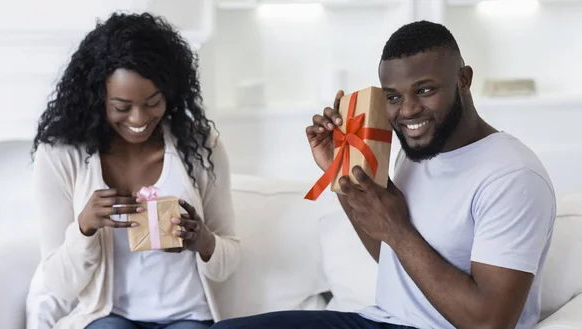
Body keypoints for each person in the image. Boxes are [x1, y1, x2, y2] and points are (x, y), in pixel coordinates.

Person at [211, 20, 555, 329]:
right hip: (383, 319)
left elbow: (489, 323)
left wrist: (398, 229)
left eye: (424, 90)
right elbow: (393, 256)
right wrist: (339, 167)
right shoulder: (419, 150)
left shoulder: (512, 177)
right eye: (393, 96)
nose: (407, 111)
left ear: (463, 80)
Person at [25, 12, 240, 329]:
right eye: (122, 107)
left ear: (169, 91)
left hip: (188, 316)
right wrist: (84, 227)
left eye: (153, 102)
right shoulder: (60, 155)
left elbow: (229, 257)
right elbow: (58, 283)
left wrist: (203, 240)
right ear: (98, 99)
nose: (139, 119)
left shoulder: (199, 146)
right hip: (109, 316)